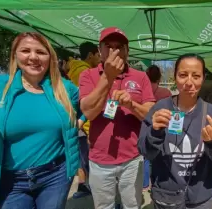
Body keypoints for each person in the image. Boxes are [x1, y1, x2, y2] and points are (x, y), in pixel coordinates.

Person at [0, 32, 80, 209]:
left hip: (55, 176)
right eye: (25, 50)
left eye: (40, 52)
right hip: (9, 180)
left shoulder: (66, 89)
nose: (33, 57)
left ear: (50, 57)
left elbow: (81, 117)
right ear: (15, 55)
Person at [138, 53, 212, 209]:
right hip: (166, 198)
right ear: (175, 77)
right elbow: (145, 152)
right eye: (183, 75)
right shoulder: (160, 109)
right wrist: (155, 133)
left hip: (201, 198)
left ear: (203, 78)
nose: (189, 82)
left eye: (196, 76)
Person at [79, 27, 156, 209]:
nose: (114, 51)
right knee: (104, 206)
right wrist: (108, 76)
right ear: (100, 51)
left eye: (119, 46)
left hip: (132, 158)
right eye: (109, 46)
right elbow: (88, 111)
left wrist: (132, 105)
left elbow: (151, 115)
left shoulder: (140, 76)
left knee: (132, 205)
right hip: (99, 160)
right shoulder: (88, 75)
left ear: (127, 51)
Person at [67, 41, 100, 199]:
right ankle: (94, 189)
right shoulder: (85, 73)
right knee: (91, 160)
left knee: (83, 158)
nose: (100, 58)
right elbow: (87, 104)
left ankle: (83, 186)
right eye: (98, 54)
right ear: (90, 55)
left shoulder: (75, 70)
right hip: (86, 124)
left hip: (79, 123)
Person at [143, 64, 172, 191]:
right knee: (162, 155)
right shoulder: (165, 92)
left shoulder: (143, 91)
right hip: (164, 127)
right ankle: (158, 181)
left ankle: (145, 184)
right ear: (159, 77)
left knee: (146, 157)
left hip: (146, 126)